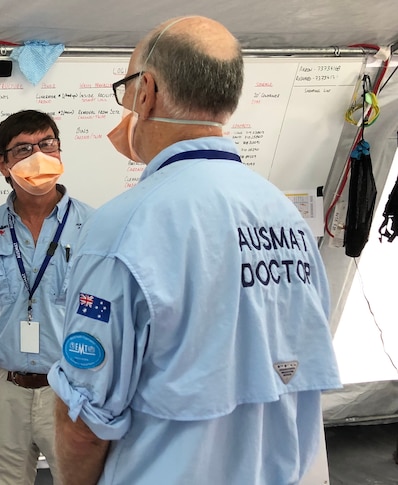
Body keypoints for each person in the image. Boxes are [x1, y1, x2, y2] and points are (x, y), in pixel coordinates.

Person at [49, 16, 342, 485]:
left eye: (126, 90)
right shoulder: (288, 219)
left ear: (145, 91)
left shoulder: (122, 228)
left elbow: (85, 423)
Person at [0, 109, 94, 485]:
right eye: (23, 149)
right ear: (2, 163)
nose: (39, 156)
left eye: (47, 144)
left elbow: (115, 320)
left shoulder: (94, 228)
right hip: (2, 391)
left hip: (73, 391)